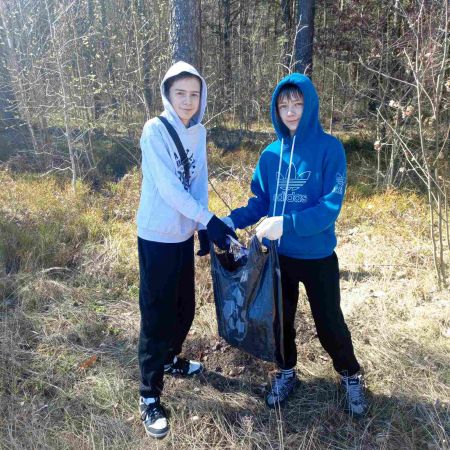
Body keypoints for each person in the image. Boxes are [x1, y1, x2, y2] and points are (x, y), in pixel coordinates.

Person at [222, 73, 367, 416]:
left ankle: (350, 375)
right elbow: (260, 201)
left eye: (297, 104)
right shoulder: (271, 154)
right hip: (279, 258)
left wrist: (285, 223)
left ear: (310, 105)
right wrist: (231, 220)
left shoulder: (330, 149)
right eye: (283, 105)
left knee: (329, 323)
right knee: (280, 321)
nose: (290, 111)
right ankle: (286, 372)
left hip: (317, 256)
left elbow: (329, 209)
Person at [136, 61, 237, 439]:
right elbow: (168, 188)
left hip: (181, 234)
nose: (188, 101)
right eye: (180, 93)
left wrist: (203, 227)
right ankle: (149, 395)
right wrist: (208, 218)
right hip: (156, 235)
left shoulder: (199, 131)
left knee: (185, 307)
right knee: (156, 314)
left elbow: (198, 182)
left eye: (194, 94)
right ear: (167, 94)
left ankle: (169, 359)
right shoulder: (154, 130)